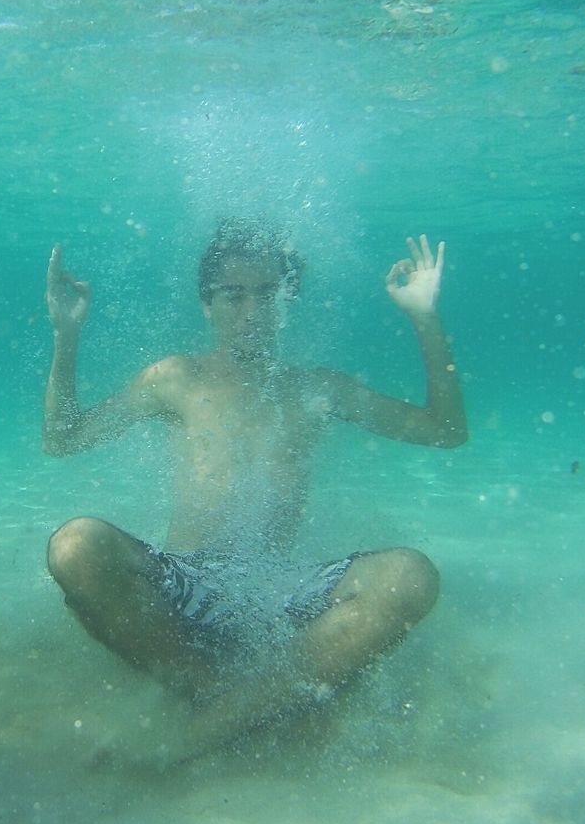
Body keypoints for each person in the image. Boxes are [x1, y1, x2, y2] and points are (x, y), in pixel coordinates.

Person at [42, 219, 467, 748]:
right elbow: (64, 439)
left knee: (411, 575)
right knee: (76, 545)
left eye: (267, 294)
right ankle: (238, 703)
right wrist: (67, 334)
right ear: (206, 304)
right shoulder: (174, 378)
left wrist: (425, 318)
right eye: (232, 294)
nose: (251, 312)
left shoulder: (317, 387)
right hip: (184, 579)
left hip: (278, 590)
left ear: (287, 300)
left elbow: (444, 432)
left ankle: (206, 725)